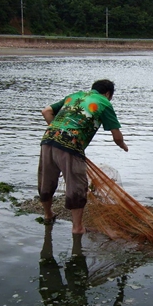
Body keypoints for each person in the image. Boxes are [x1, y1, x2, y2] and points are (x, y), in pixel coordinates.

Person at [38, 79, 128, 233]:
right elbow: (117, 137)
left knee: (46, 181)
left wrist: (58, 131)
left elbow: (46, 111)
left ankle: (48, 215)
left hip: (48, 140)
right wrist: (123, 146)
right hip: (71, 145)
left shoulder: (74, 96)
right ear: (108, 93)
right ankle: (77, 228)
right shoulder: (104, 103)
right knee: (77, 186)